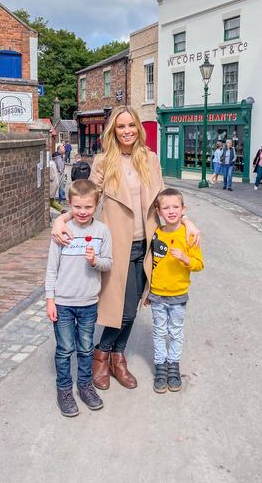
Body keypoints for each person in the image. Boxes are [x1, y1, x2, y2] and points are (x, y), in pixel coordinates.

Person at [51, 106, 200, 391]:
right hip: (117, 243)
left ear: (138, 128)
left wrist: (187, 221)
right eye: (121, 127)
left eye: (131, 125)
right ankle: (104, 355)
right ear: (113, 131)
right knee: (125, 309)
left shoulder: (150, 159)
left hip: (146, 244)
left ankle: (116, 356)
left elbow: (165, 199)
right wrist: (63, 217)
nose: (127, 131)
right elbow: (87, 197)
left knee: (133, 306)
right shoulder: (104, 160)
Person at [45, 179, 112, 417]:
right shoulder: (62, 231)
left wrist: (95, 261)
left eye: (88, 207)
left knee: (85, 349)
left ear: (96, 205)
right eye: (77, 207)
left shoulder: (102, 231)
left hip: (88, 303)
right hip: (63, 303)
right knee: (64, 349)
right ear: (70, 205)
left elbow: (108, 264)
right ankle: (64, 389)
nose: (82, 212)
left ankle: (85, 386)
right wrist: (50, 299)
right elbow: (52, 269)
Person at [147, 188, 204, 393]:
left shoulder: (189, 235)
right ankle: (160, 366)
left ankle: (174, 366)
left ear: (183, 210)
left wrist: (186, 258)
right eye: (166, 207)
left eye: (175, 207)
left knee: (176, 332)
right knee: (160, 331)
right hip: (157, 293)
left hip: (178, 294)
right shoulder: (155, 234)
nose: (171, 211)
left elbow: (199, 264)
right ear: (159, 211)